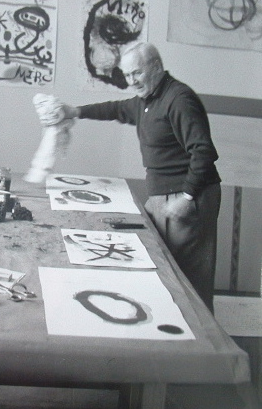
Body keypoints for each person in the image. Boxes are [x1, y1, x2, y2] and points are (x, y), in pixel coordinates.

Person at [61, 42, 221, 311]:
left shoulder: (178, 99)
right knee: (163, 269)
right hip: (164, 195)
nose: (131, 81)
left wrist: (186, 197)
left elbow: (203, 151)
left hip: (188, 196)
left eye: (137, 73)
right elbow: (115, 109)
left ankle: (203, 335)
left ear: (156, 67)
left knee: (189, 279)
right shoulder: (147, 99)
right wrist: (75, 112)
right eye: (127, 75)